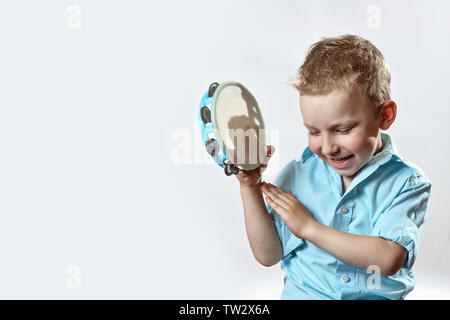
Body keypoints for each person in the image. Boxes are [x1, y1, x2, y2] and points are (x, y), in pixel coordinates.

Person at [236, 34, 432, 299]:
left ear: (384, 116)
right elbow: (268, 254)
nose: (327, 147)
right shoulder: (298, 173)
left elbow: (387, 259)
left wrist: (309, 228)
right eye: (314, 131)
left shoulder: (406, 182)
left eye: (343, 130)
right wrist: (249, 187)